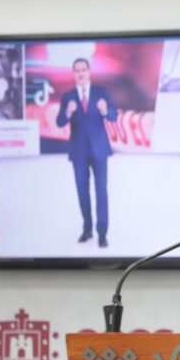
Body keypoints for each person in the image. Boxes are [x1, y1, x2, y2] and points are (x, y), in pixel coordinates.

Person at [56, 58, 117, 248]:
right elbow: (59, 122)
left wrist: (105, 109)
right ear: (73, 74)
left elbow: (114, 116)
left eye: (83, 70)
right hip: (79, 151)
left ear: (89, 72)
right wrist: (67, 112)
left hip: (99, 150)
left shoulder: (101, 92)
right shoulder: (68, 97)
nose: (80, 73)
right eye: (77, 70)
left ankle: (102, 233)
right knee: (82, 192)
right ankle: (87, 229)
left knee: (101, 192)